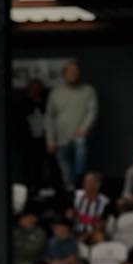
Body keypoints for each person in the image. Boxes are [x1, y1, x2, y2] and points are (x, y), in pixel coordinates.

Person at [45, 61, 98, 189]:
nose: (73, 74)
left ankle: (80, 182)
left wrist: (84, 128)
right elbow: (49, 117)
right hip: (61, 139)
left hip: (80, 137)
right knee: (66, 174)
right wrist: (50, 140)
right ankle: (70, 195)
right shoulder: (56, 92)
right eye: (70, 71)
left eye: (75, 71)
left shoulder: (88, 91)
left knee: (80, 150)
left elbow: (92, 111)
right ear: (64, 74)